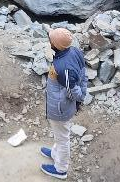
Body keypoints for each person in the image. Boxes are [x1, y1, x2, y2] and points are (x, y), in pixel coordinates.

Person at [40, 28, 88, 180]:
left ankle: (61, 169)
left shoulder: (63, 67)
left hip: (60, 109)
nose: (49, 41)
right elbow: (83, 74)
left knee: (63, 139)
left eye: (51, 40)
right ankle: (56, 154)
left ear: (56, 45)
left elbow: (72, 92)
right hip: (60, 104)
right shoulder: (74, 51)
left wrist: (79, 99)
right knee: (60, 135)